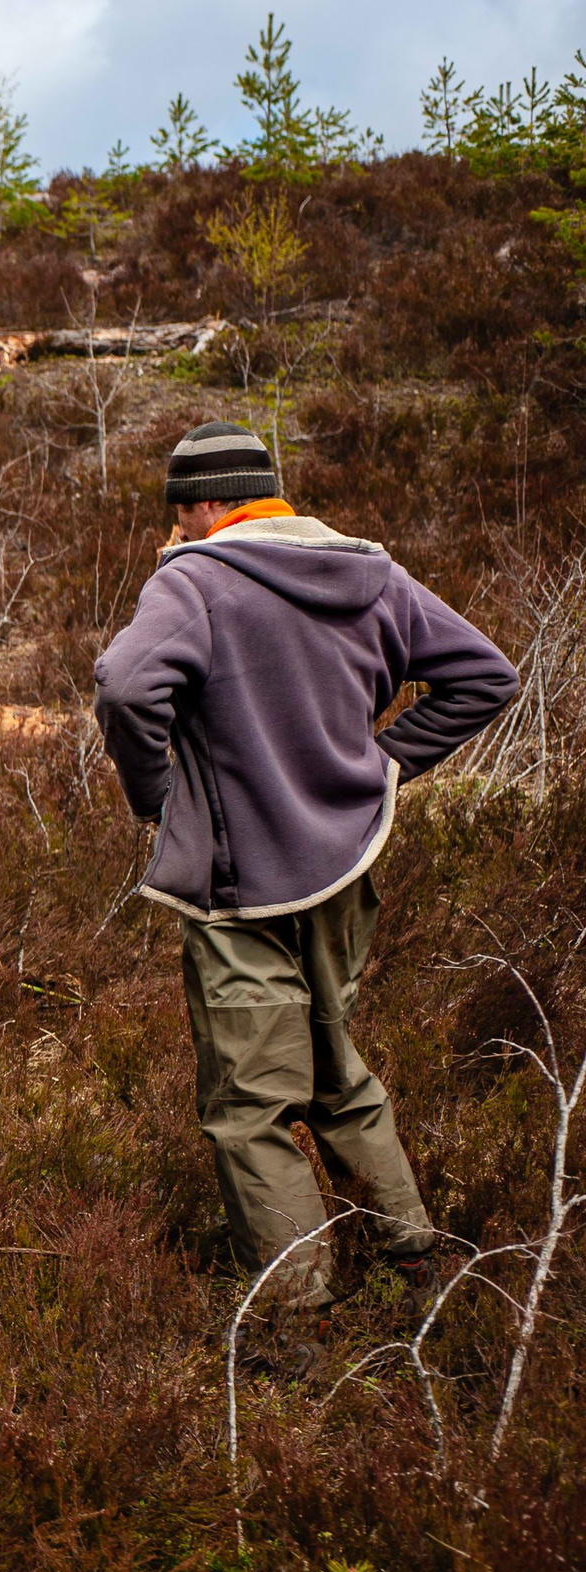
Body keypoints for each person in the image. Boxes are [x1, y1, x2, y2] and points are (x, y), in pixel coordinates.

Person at [93, 421, 516, 1333]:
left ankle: (299, 1319)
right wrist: (387, 763)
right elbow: (487, 676)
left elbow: (124, 687)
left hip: (241, 885)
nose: (173, 529)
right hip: (346, 865)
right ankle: (412, 1257)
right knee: (331, 1065)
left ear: (208, 504)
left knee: (250, 1105)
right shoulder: (369, 572)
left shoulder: (194, 581)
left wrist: (156, 797)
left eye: (179, 513)